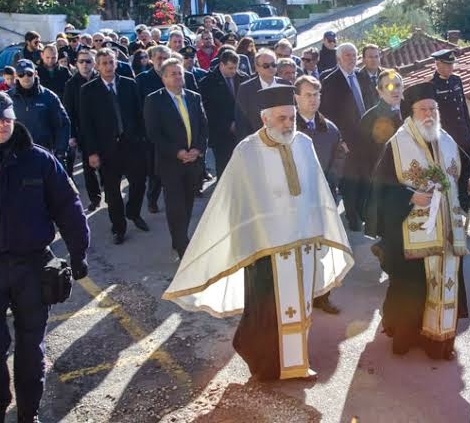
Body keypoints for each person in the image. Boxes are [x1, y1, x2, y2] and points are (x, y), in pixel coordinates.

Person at [162, 86, 354, 381]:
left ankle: (296, 362)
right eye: (281, 119)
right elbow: (234, 202)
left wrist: (318, 229)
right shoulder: (247, 151)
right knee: (266, 312)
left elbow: (317, 190)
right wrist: (247, 240)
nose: (288, 125)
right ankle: (264, 364)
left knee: (299, 306)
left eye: (291, 118)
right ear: (265, 119)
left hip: (301, 242)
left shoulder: (303, 143)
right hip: (265, 248)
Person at [0, 90, 89, 423]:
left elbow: (69, 208)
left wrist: (79, 252)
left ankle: (28, 414)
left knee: (30, 351)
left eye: (7, 119)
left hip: (31, 267)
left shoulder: (40, 160)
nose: (2, 126)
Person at [367, 82, 470, 359]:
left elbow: (463, 173)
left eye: (433, 108)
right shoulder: (398, 143)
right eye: (423, 109)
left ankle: (437, 341)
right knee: (413, 287)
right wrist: (409, 197)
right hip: (411, 231)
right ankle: (406, 337)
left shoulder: (447, 140)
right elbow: (379, 188)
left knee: (444, 284)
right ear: (412, 112)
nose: (429, 114)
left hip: (446, 232)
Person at [80, 48, 149, 245]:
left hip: (132, 145)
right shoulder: (88, 91)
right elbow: (87, 124)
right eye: (104, 63)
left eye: (111, 62)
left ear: (116, 63)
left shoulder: (129, 84)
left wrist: (142, 139)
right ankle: (119, 227)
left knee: (138, 183)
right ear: (97, 66)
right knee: (112, 191)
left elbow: (139, 113)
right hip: (107, 150)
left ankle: (133, 212)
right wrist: (92, 152)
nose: (108, 67)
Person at [144, 59, 208, 259]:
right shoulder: (154, 100)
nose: (178, 77)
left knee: (188, 203)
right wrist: (177, 152)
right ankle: (181, 244)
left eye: (180, 73)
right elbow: (154, 133)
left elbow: (203, 127)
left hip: (193, 161)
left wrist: (197, 149)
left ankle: (181, 237)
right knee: (175, 205)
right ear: (163, 78)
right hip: (171, 163)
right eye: (173, 74)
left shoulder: (194, 97)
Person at [294, 75, 346, 314]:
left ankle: (322, 296)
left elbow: (339, 157)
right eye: (308, 95)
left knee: (323, 249)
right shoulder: (288, 127)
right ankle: (297, 294)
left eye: (316, 95)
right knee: (297, 249)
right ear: (296, 98)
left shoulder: (330, 128)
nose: (313, 100)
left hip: (324, 197)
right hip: (295, 200)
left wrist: (329, 182)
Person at [319, 42, 378, 231]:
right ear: (338, 59)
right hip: (346, 142)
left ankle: (362, 212)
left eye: (353, 55)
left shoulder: (363, 77)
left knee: (366, 178)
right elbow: (326, 114)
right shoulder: (329, 81)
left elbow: (371, 104)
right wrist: (339, 141)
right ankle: (352, 218)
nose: (352, 59)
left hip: (367, 139)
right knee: (350, 181)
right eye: (347, 56)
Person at [360, 70, 404, 235]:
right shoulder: (369, 118)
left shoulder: (410, 113)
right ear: (379, 91)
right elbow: (363, 160)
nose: (395, 90)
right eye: (389, 86)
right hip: (384, 189)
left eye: (398, 85)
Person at [63, 48, 103, 211]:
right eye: (81, 61)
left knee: (107, 164)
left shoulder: (101, 79)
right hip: (84, 132)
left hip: (103, 130)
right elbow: (68, 112)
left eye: (88, 61)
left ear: (94, 63)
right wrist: (71, 135)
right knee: (89, 167)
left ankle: (109, 188)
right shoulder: (71, 84)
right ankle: (95, 197)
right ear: (76, 64)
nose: (85, 65)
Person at [8, 59, 70, 162]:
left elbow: (63, 124)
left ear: (35, 73)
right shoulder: (7, 98)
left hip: (45, 155)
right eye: (21, 74)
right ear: (16, 76)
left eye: (29, 73)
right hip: (15, 156)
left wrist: (60, 152)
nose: (26, 77)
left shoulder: (49, 97)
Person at [200, 50, 249, 178]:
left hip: (242, 133)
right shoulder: (207, 82)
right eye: (230, 68)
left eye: (235, 68)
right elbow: (208, 111)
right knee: (224, 170)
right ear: (221, 65)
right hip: (221, 135)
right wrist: (228, 124)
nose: (233, 71)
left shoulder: (243, 78)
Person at [234, 48, 280, 141]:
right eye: (266, 65)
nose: (271, 68)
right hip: (256, 142)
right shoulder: (246, 89)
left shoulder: (286, 85)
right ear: (257, 67)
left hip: (282, 140)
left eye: (273, 64)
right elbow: (241, 122)